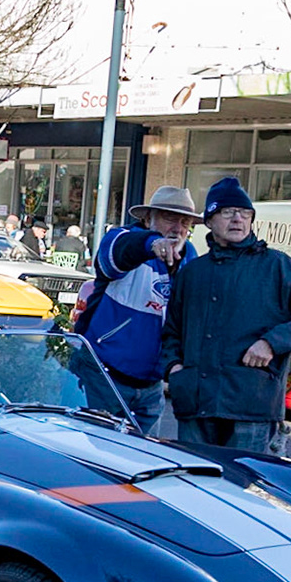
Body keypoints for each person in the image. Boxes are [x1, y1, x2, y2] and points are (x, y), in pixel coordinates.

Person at [162, 177, 291, 456]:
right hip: (195, 405)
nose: (238, 219)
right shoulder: (192, 273)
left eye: (245, 213)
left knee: (243, 491)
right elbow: (171, 331)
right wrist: (174, 370)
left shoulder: (277, 267)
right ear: (210, 221)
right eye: (227, 212)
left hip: (251, 408)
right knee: (194, 490)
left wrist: (273, 342)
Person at [77, 185, 200, 436]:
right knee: (94, 455)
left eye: (185, 222)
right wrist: (152, 244)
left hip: (151, 386)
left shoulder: (189, 258)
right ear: (147, 218)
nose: (178, 228)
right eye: (169, 218)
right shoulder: (121, 238)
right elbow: (118, 252)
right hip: (104, 375)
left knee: (140, 463)